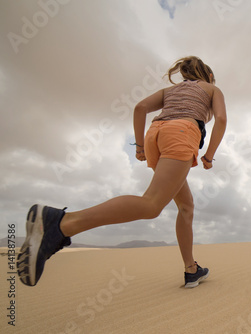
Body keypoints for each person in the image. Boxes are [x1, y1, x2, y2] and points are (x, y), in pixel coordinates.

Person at [16, 56, 227, 289]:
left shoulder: (172, 89)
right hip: (181, 133)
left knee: (186, 206)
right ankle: (61, 223)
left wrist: (139, 146)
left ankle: (191, 270)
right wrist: (208, 156)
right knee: (152, 204)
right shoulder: (211, 88)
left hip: (155, 135)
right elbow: (221, 119)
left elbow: (141, 108)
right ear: (208, 75)